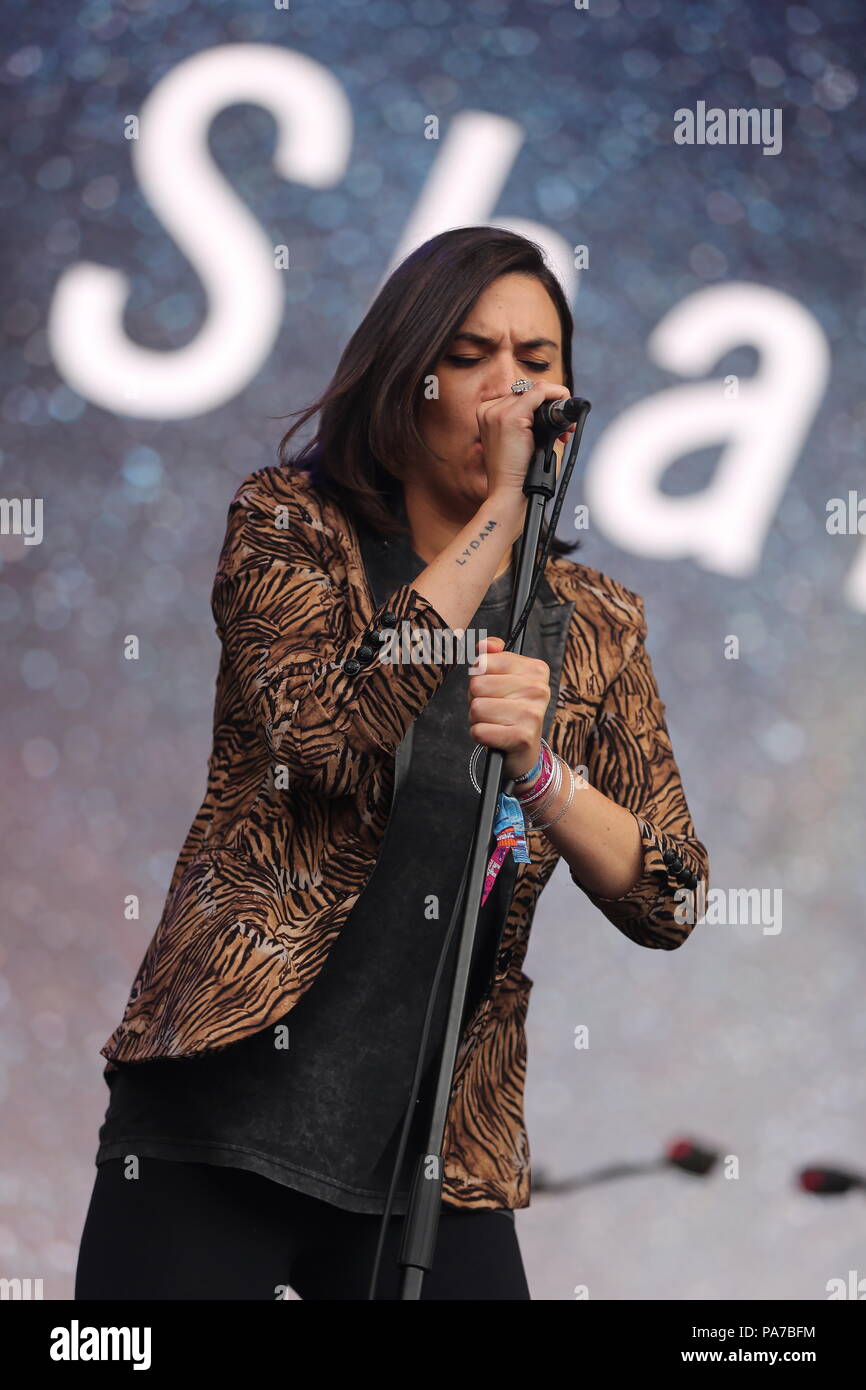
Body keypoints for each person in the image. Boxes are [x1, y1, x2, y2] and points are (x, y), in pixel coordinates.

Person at [74, 226, 710, 1301]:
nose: (510, 389)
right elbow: (323, 740)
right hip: (221, 1111)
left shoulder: (595, 623)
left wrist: (543, 778)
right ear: (403, 382)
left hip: (435, 1154)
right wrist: (500, 518)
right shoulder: (291, 529)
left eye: (537, 361)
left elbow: (672, 893)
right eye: (468, 358)